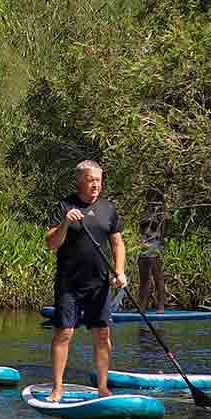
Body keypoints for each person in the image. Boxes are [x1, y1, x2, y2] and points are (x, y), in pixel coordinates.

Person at [45, 160, 127, 401]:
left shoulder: (108, 209)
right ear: (79, 181)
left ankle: (102, 386)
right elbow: (51, 243)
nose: (96, 185)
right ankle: (57, 387)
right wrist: (65, 223)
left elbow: (117, 243)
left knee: (102, 335)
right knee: (64, 333)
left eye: (99, 181)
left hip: (99, 284)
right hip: (69, 282)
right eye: (91, 180)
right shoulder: (64, 206)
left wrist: (120, 272)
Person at [137, 200, 165, 312]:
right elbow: (141, 229)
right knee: (144, 280)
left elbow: (160, 231)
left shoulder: (160, 214)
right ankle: (142, 307)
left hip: (155, 249)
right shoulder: (144, 214)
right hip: (143, 250)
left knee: (158, 278)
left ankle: (161, 306)